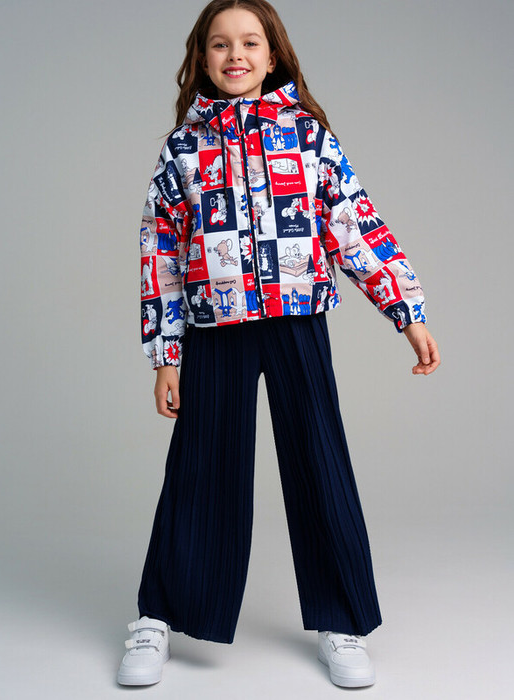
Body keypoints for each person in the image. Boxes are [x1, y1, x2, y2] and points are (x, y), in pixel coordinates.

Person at [117, 0, 440, 690]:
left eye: (249, 43)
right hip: (214, 328)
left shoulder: (307, 137)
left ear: (272, 56)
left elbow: (354, 225)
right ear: (201, 58)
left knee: (319, 461)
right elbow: (160, 255)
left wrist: (406, 312)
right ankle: (159, 615)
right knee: (200, 469)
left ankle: (340, 621)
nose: (235, 55)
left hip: (297, 319)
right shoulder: (183, 149)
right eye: (219, 44)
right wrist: (166, 354)